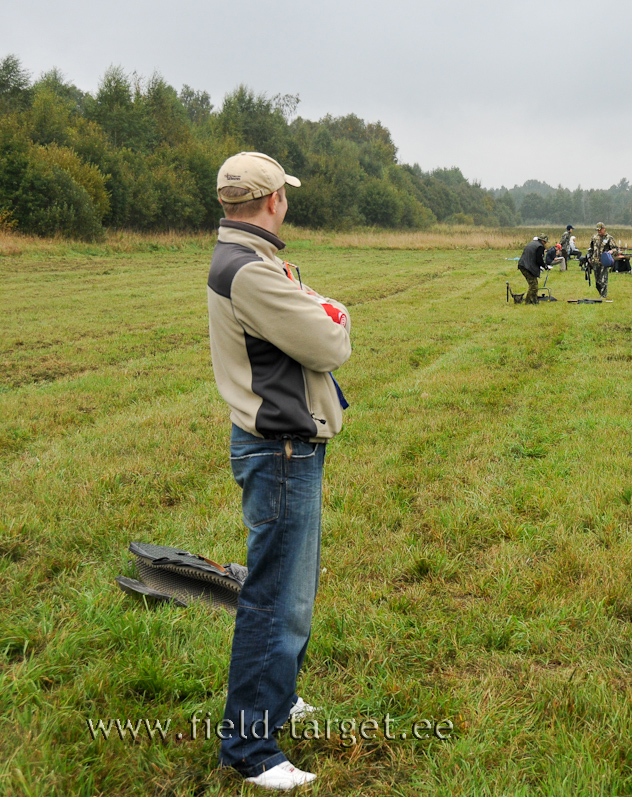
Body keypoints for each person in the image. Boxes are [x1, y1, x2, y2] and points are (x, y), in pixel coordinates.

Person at [207, 151, 352, 789]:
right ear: (272, 201)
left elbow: (311, 316)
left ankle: (277, 694)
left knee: (292, 590)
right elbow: (329, 341)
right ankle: (250, 747)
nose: (286, 202)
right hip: (282, 450)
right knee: (275, 598)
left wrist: (320, 308)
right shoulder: (251, 271)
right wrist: (333, 316)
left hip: (283, 446)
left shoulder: (250, 261)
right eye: (284, 195)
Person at [517, 234, 549, 304]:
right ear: (543, 241)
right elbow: (539, 260)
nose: (545, 244)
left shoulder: (532, 243)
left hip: (523, 264)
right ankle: (528, 302)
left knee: (534, 284)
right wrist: (545, 266)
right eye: (545, 242)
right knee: (533, 286)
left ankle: (534, 301)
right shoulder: (540, 247)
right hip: (526, 266)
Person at [588, 222, 616, 298]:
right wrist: (589, 257)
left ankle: (603, 296)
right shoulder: (594, 237)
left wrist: (611, 251)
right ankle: (601, 292)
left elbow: (615, 248)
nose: (599, 232)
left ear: (604, 229)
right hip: (595, 261)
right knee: (597, 281)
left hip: (604, 261)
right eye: (598, 230)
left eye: (600, 230)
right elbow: (591, 248)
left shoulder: (609, 238)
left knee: (604, 279)